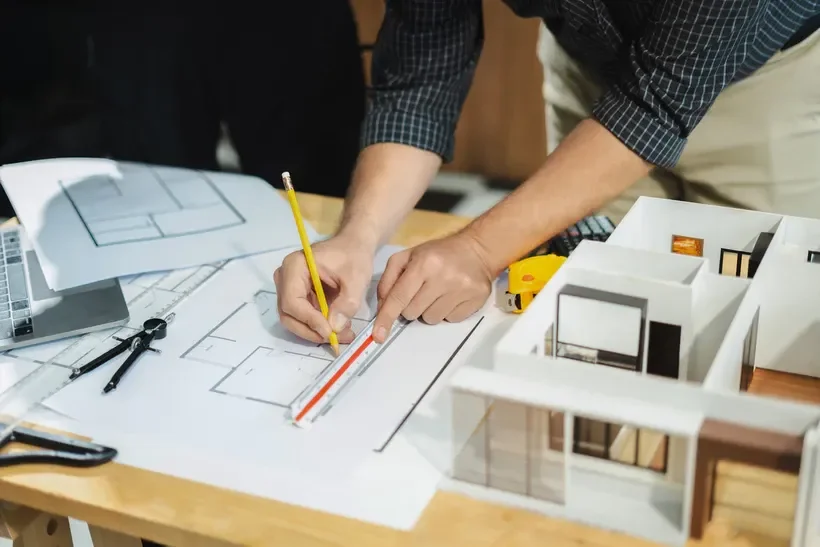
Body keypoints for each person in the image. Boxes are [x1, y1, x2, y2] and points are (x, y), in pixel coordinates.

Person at [274, 1, 820, 347]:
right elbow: (420, 77)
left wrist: (480, 250)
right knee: (597, 307)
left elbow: (655, 105)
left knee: (768, 325)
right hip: (591, 73)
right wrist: (357, 237)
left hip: (770, 90)